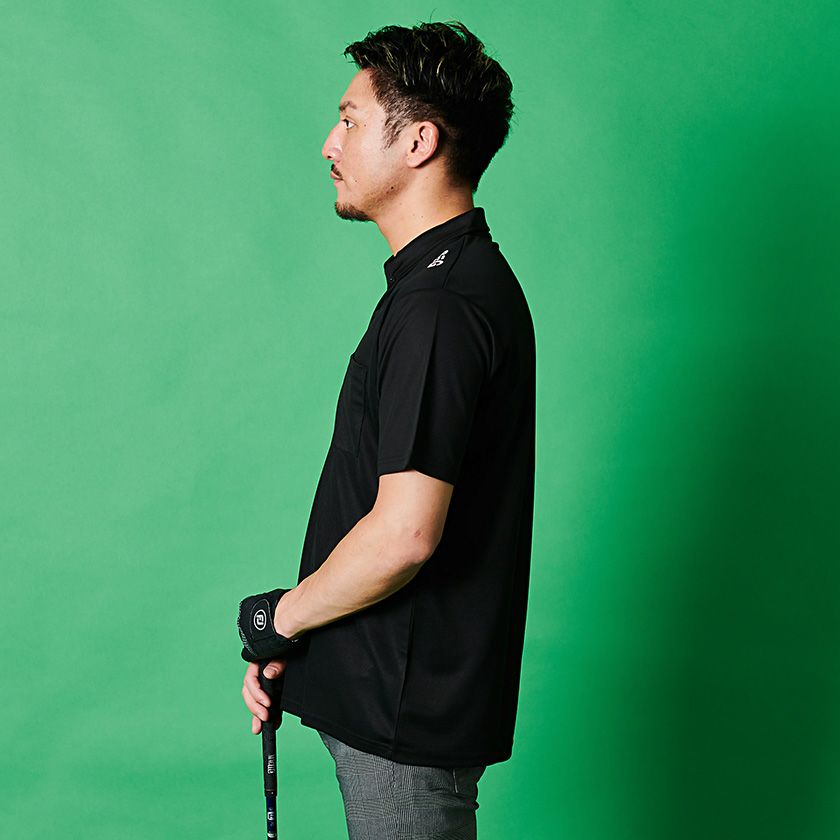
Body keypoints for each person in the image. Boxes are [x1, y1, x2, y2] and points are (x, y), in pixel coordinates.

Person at [240, 20, 535, 840]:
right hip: (389, 704)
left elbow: (405, 535)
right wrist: (299, 630)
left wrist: (281, 616)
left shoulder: (440, 304)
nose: (329, 143)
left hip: (403, 731)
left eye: (350, 119)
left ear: (418, 142)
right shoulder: (439, 285)